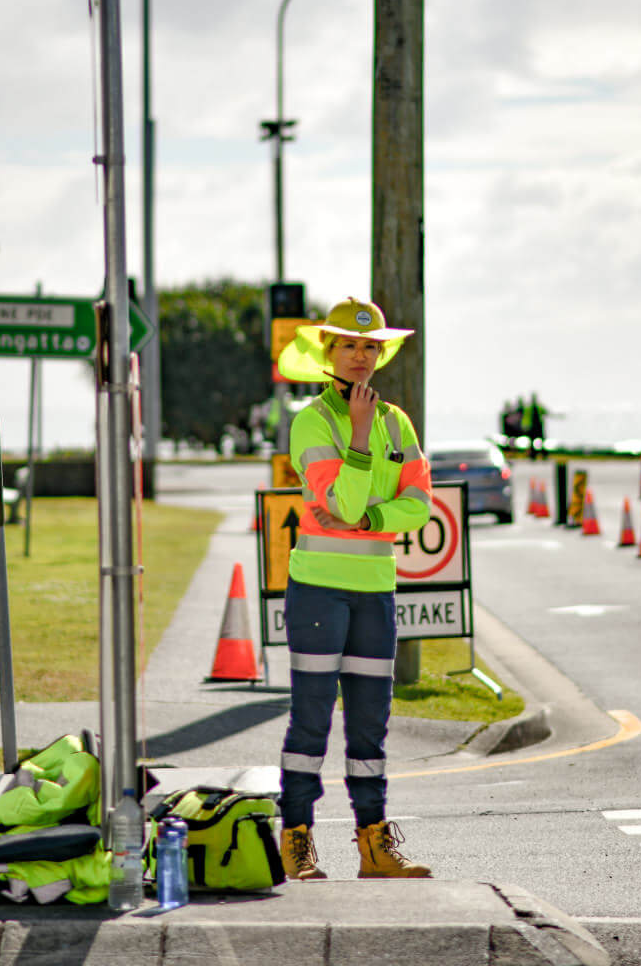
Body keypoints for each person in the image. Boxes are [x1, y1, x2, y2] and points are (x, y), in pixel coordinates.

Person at [271, 297, 433, 881]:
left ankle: (374, 845)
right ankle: (296, 838)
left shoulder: (399, 422)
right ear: (328, 353)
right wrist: (360, 438)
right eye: (349, 345)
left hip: (375, 590)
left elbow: (420, 507)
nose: (362, 355)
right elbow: (337, 501)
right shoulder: (312, 421)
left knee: (370, 724)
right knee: (310, 720)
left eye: (371, 346)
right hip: (318, 589)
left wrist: (368, 521)